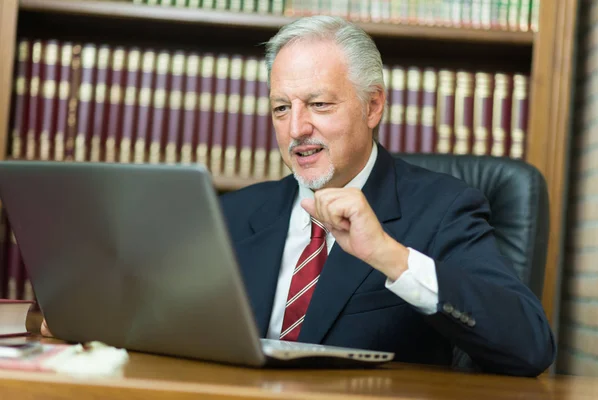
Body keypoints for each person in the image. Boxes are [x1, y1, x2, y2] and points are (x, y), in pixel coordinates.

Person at [44, 15, 555, 377]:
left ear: (372, 106)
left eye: (319, 104)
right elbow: (157, 316)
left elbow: (530, 347)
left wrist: (390, 256)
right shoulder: (233, 212)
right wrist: (83, 311)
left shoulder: (444, 208)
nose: (297, 129)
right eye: (281, 108)